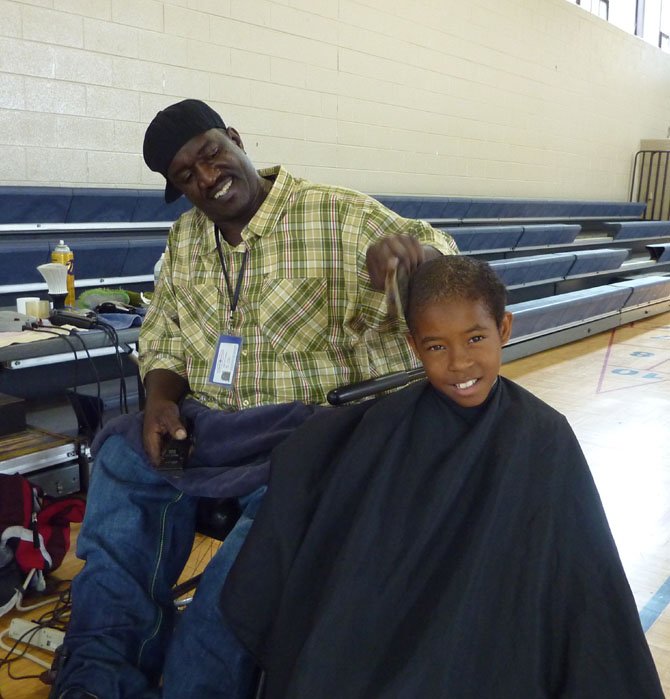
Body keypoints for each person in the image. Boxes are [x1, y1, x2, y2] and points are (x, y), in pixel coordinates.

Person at [50, 99, 458, 699]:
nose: (207, 177)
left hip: (313, 438)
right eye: (186, 176)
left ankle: (199, 681)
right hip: (214, 434)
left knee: (230, 599)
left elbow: (440, 257)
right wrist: (161, 399)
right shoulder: (187, 239)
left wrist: (410, 264)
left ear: (236, 138)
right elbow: (162, 334)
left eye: (211, 154)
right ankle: (101, 674)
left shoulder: (336, 214)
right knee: (122, 459)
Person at [222, 255, 665, 698]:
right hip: (385, 628)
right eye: (437, 347)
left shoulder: (544, 436)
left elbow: (580, 574)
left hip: (493, 630)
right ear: (415, 347)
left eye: (475, 338)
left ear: (504, 329)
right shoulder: (385, 429)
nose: (458, 363)